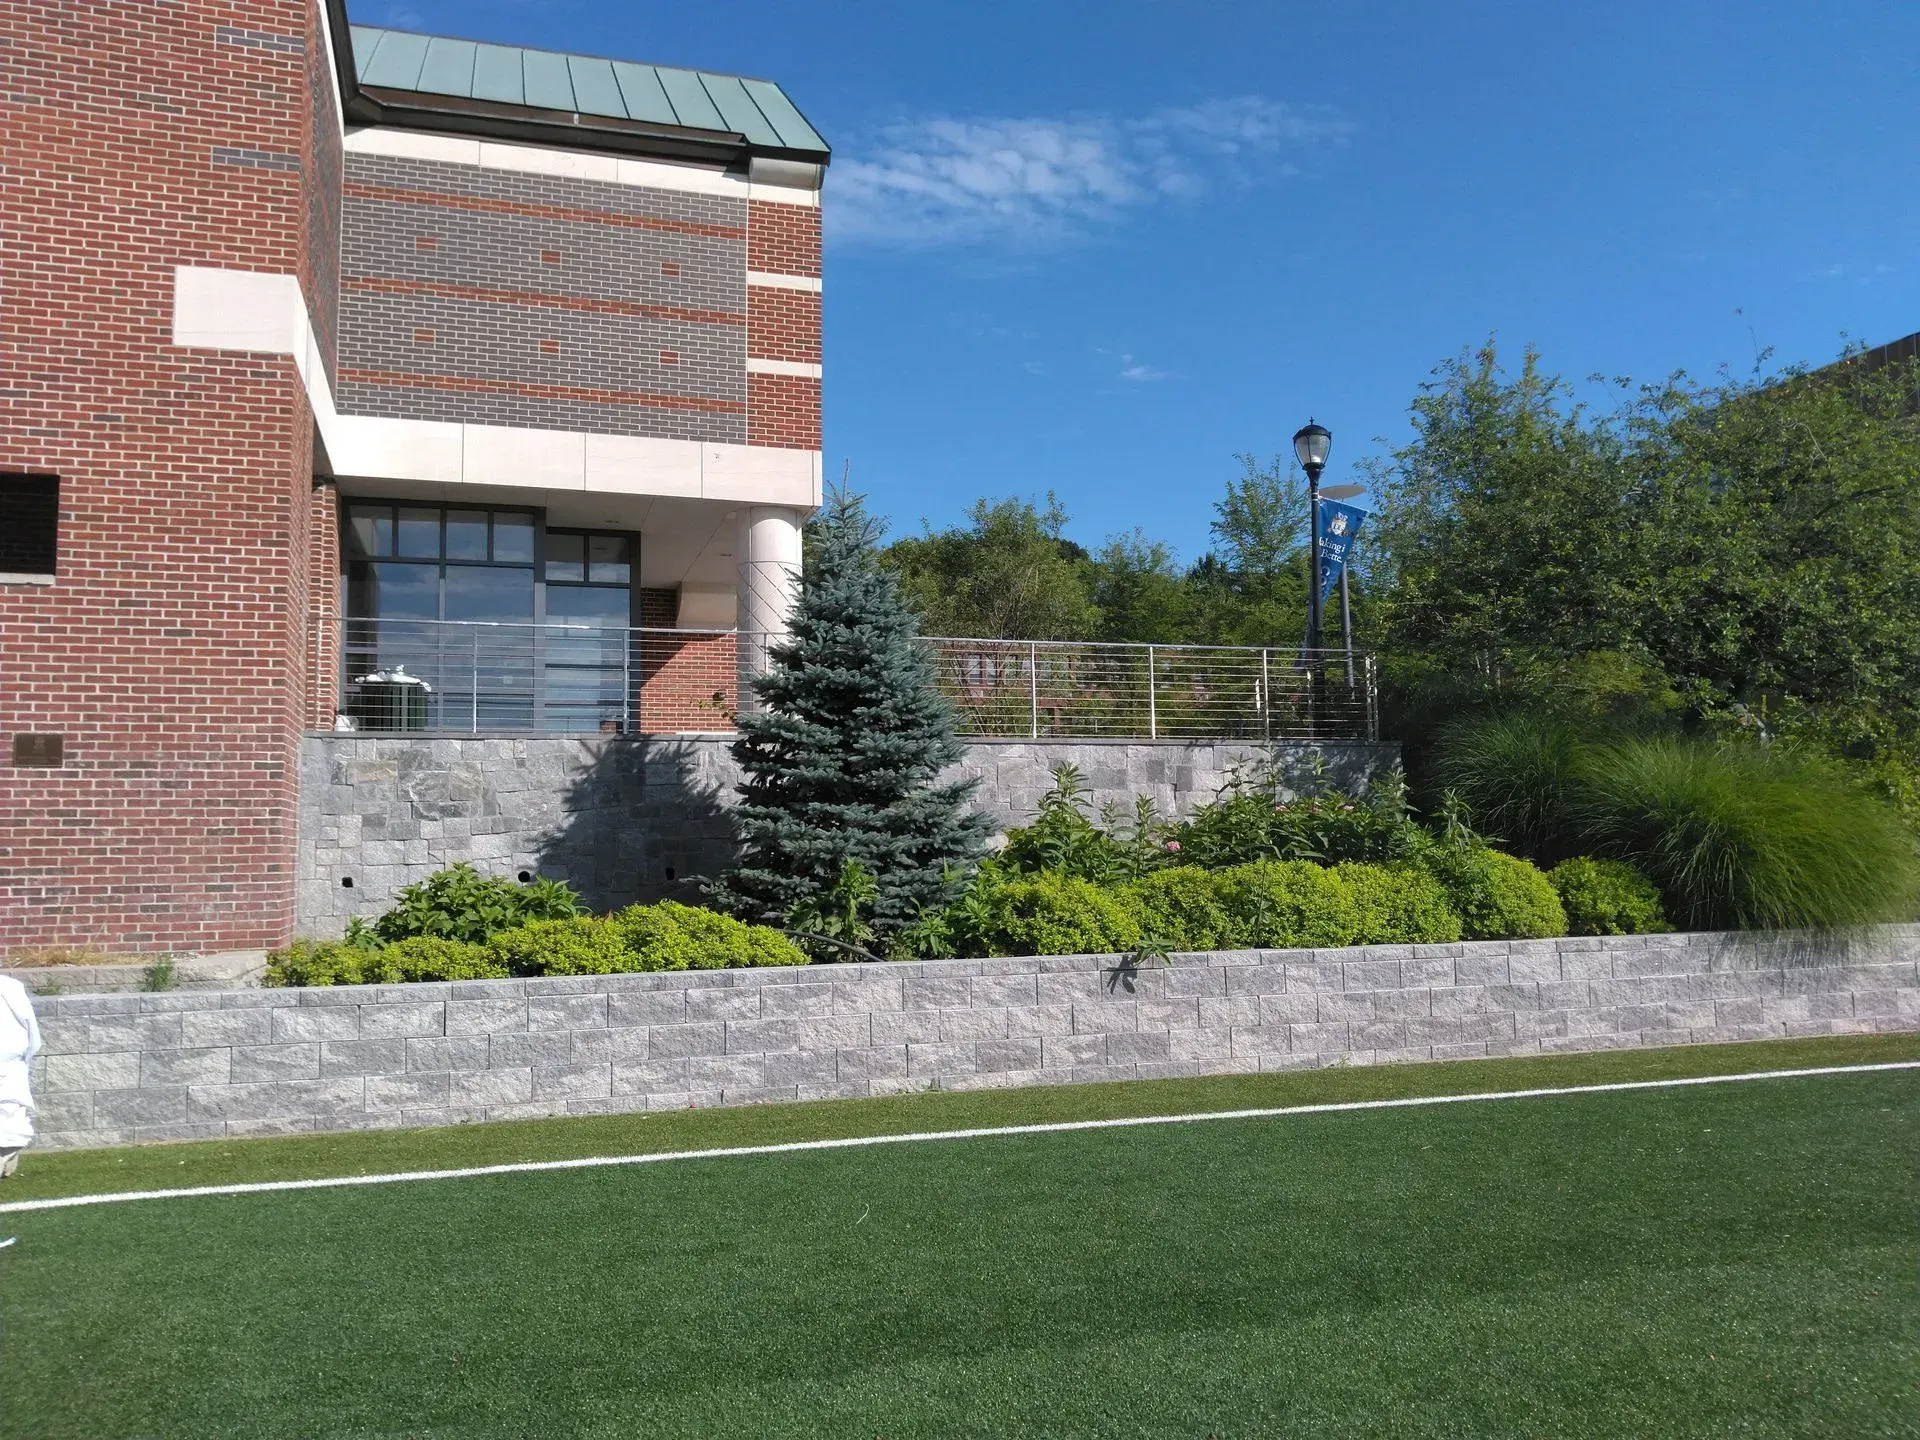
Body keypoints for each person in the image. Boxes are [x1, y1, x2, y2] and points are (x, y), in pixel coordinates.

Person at [0, 973, 41, 1178]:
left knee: (8, 1121)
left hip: (9, 1067)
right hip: (11, 1067)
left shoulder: (11, 988)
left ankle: (6, 1156)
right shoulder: (12, 987)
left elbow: (32, 1036)